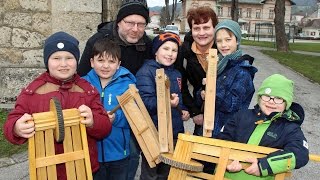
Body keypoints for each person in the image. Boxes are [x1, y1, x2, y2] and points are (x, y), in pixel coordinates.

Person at [3, 32, 112, 180]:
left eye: (69, 58)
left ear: (77, 61)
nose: (63, 64)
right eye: (56, 58)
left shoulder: (88, 90)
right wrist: (16, 128)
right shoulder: (32, 91)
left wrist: (93, 121)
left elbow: (105, 126)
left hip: (84, 169)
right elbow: (11, 123)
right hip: (46, 171)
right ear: (47, 61)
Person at [78, 1, 153, 178]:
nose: (135, 29)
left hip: (129, 108)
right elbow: (81, 79)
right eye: (130, 23)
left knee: (130, 155)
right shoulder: (98, 41)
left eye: (141, 24)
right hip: (98, 110)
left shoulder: (147, 44)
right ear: (119, 22)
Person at [218, 74, 309, 179]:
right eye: (266, 96)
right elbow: (222, 139)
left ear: (286, 103)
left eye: (278, 98)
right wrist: (228, 161)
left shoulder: (290, 128)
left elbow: (300, 154)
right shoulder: (241, 116)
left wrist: (264, 166)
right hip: (226, 176)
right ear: (259, 97)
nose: (271, 101)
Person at [136, 32, 190, 180]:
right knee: (151, 173)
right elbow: (145, 103)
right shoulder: (146, 72)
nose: (170, 54)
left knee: (168, 173)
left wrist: (183, 110)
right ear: (156, 51)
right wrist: (167, 103)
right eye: (165, 49)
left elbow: (178, 98)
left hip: (173, 132)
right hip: (154, 133)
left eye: (174, 50)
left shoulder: (177, 73)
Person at [82, 38, 136, 180]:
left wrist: (116, 118)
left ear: (118, 64)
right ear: (92, 62)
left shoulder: (128, 85)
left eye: (111, 61)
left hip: (119, 153)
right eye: (100, 60)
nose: (106, 66)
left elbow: (135, 117)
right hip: (92, 154)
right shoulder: (83, 85)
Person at [196, 19, 257, 137]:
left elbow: (232, 105)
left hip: (225, 133)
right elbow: (200, 97)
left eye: (228, 40)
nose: (223, 45)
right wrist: (202, 94)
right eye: (219, 41)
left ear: (237, 41)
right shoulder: (217, 65)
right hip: (207, 128)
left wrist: (211, 90)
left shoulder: (243, 72)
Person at [174, 6, 218, 136]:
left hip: (225, 113)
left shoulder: (223, 49)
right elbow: (180, 85)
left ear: (214, 28)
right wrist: (194, 111)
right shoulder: (184, 53)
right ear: (191, 30)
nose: (202, 33)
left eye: (206, 27)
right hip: (201, 111)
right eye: (197, 28)